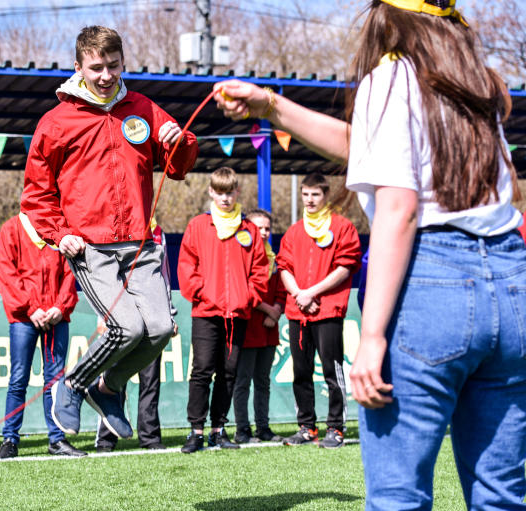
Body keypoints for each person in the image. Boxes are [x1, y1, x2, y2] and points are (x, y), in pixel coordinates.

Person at [214, 0, 526, 508]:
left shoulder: (392, 75)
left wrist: (373, 336)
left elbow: (400, 207)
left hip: (433, 280)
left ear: (387, 17)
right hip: (511, 282)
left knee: (398, 495)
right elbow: (366, 144)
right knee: (502, 497)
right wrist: (271, 105)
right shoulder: (477, 83)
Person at [20, 25, 198, 440]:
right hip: (89, 245)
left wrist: (180, 140)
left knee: (160, 328)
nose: (105, 75)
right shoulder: (56, 122)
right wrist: (58, 233)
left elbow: (178, 166)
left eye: (112, 66)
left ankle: (108, 388)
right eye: (96, 67)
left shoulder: (143, 108)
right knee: (127, 328)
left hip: (140, 241)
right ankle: (74, 384)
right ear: (78, 66)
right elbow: (36, 194)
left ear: (123, 63)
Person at [177, 167, 269, 453]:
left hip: (237, 314)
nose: (225, 198)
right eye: (219, 192)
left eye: (229, 192)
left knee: (228, 374)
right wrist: (203, 295)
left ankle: (218, 430)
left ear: (237, 192)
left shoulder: (250, 230)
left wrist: (247, 299)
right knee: (202, 371)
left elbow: (260, 271)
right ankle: (196, 431)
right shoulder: (197, 226)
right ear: (211, 192)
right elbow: (186, 266)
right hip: (206, 313)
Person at [273, 173, 361, 449]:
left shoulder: (342, 227)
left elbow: (346, 265)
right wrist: (299, 293)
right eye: (306, 194)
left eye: (315, 194)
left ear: (325, 196)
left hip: (328, 310)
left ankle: (335, 428)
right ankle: (307, 427)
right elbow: (283, 267)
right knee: (301, 371)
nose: (310, 200)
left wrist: (313, 292)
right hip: (299, 310)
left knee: (332, 372)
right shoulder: (294, 231)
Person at [0, 213, 84, 458]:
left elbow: (70, 272)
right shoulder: (11, 229)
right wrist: (30, 308)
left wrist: (60, 306)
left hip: (56, 316)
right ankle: (10, 439)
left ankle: (57, 439)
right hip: (25, 317)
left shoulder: (59, 230)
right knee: (18, 379)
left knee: (55, 382)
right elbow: (7, 273)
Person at [94, 218, 175, 452]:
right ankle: (106, 438)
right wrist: (103, 315)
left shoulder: (157, 231)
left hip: (152, 315)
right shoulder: (113, 224)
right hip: (121, 317)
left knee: (150, 382)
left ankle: (150, 437)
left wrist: (168, 313)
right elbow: (102, 275)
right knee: (112, 378)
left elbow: (164, 275)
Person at [232, 209, 285, 444]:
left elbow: (282, 290)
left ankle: (263, 428)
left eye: (266, 228)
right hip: (247, 328)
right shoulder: (240, 257)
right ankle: (242, 430)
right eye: (258, 228)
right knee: (242, 380)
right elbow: (243, 289)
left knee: (263, 381)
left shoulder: (275, 259)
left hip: (268, 329)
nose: (263, 233)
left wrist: (277, 311)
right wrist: (268, 310)